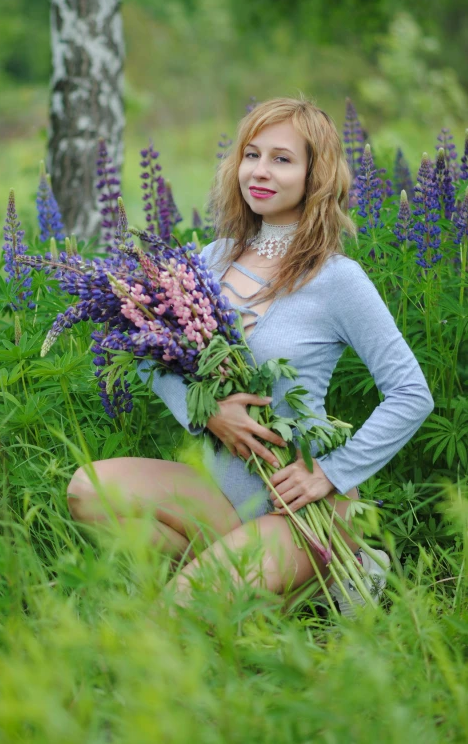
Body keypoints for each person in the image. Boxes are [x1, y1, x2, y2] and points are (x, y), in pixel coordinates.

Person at [66, 97, 434, 614]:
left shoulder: (336, 279)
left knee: (178, 609)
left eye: (282, 159)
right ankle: (267, 595)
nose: (260, 171)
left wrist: (330, 474)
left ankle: (306, 569)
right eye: (252, 154)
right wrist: (206, 410)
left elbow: (411, 393)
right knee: (87, 490)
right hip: (219, 494)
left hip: (298, 509)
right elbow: (147, 350)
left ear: (315, 175)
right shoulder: (210, 259)